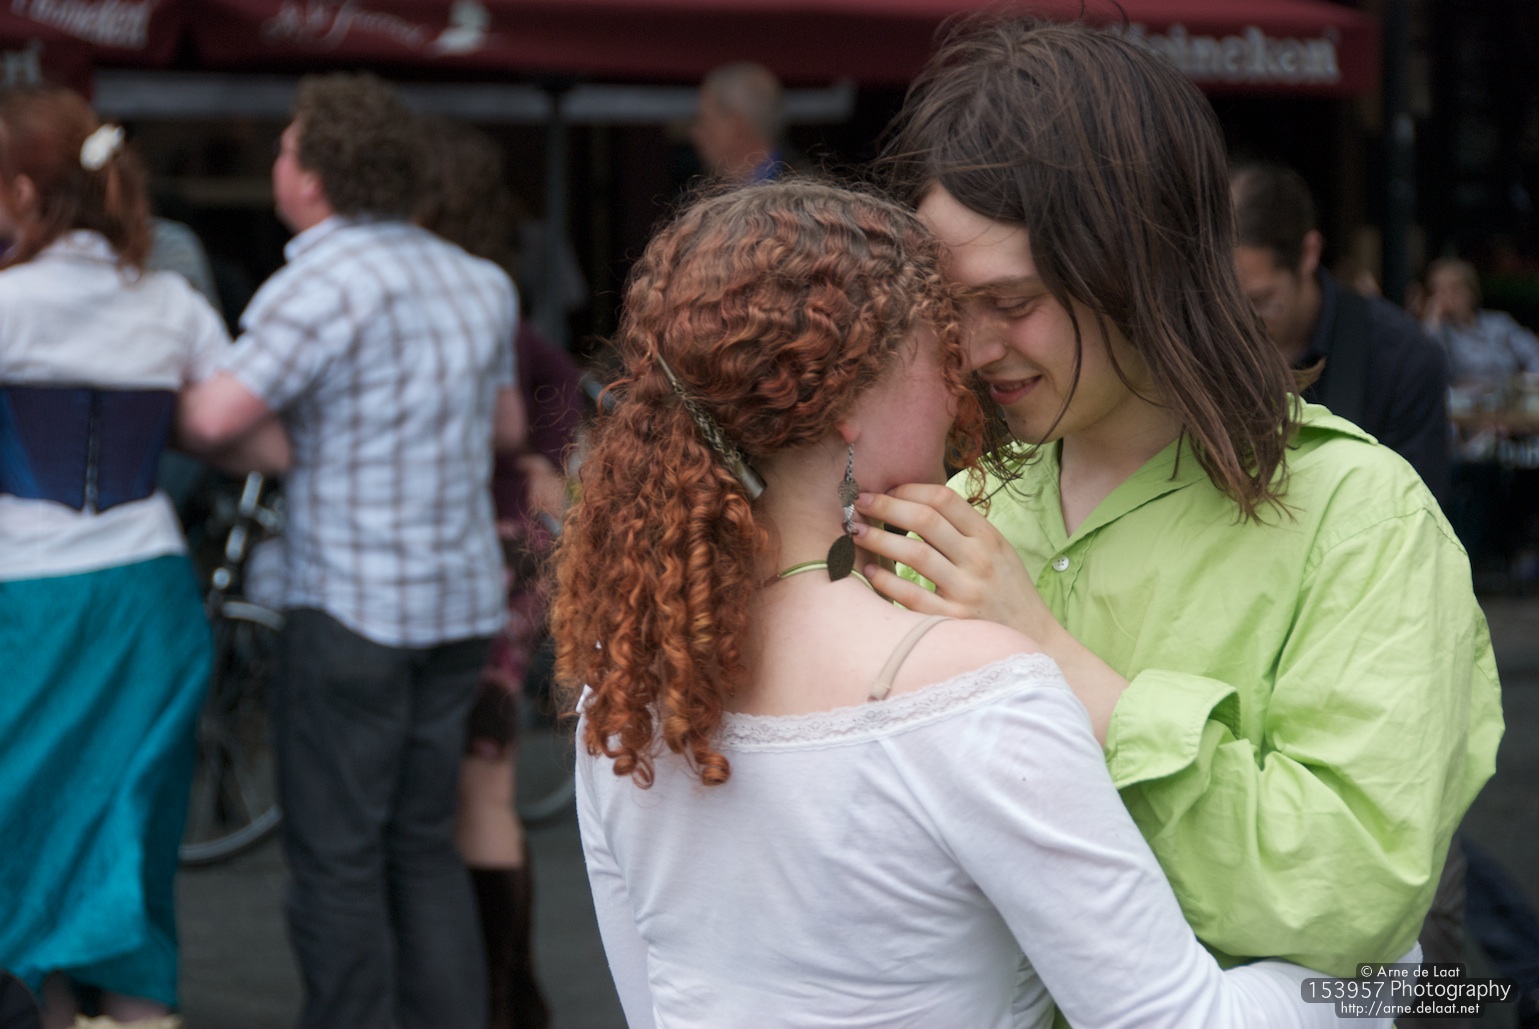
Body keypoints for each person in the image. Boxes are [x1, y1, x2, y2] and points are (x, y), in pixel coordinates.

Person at [553, 177, 1382, 1028]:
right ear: (846, 405)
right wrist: (1383, 982)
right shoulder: (972, 683)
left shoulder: (621, 687)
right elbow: (1173, 1020)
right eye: (937, 353)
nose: (960, 389)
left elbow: (651, 1001)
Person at [858, 16, 1503, 988]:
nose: (976, 348)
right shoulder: (965, 505)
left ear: (1139, 266)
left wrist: (1050, 656)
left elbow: (1353, 888)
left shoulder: (1357, 513)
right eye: (950, 309)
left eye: (1014, 303)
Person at [178, 74, 524, 1029]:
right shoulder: (478, 279)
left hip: (352, 605)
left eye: (286, 148)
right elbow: (506, 427)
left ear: (316, 175)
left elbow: (213, 418)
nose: (277, 163)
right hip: (458, 602)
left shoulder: (319, 282)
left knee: (337, 858)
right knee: (423, 845)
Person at [0, 87, 284, 1029]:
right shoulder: (169, 302)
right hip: (147, 599)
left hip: (31, 603)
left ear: (24, 193)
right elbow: (248, 440)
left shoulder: (7, 303)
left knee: (25, 836)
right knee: (129, 835)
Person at [417, 116, 570, 1029]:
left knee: (474, 789)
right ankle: (512, 994)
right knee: (485, 784)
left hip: (471, 559)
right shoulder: (497, 302)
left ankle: (500, 998)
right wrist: (549, 467)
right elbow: (557, 402)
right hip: (511, 559)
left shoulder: (449, 304)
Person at [1230, 160, 1451, 501]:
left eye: (1259, 301)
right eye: (1220, 302)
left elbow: (1416, 511)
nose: (1238, 321)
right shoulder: (1201, 345)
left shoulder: (1402, 358)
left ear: (1309, 253)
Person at [1423, 256, 1539, 396]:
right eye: (1438, 291)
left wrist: (1531, 384)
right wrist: (1433, 320)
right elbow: (1432, 371)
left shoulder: (1498, 323)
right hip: (1465, 405)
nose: (1446, 297)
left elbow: (1533, 353)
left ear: (1470, 291)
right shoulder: (1438, 334)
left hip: (1509, 400)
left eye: (1454, 289)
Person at [690, 61, 795, 183]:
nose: (695, 133)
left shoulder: (801, 192)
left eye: (704, 120)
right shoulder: (721, 189)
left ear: (736, 126)